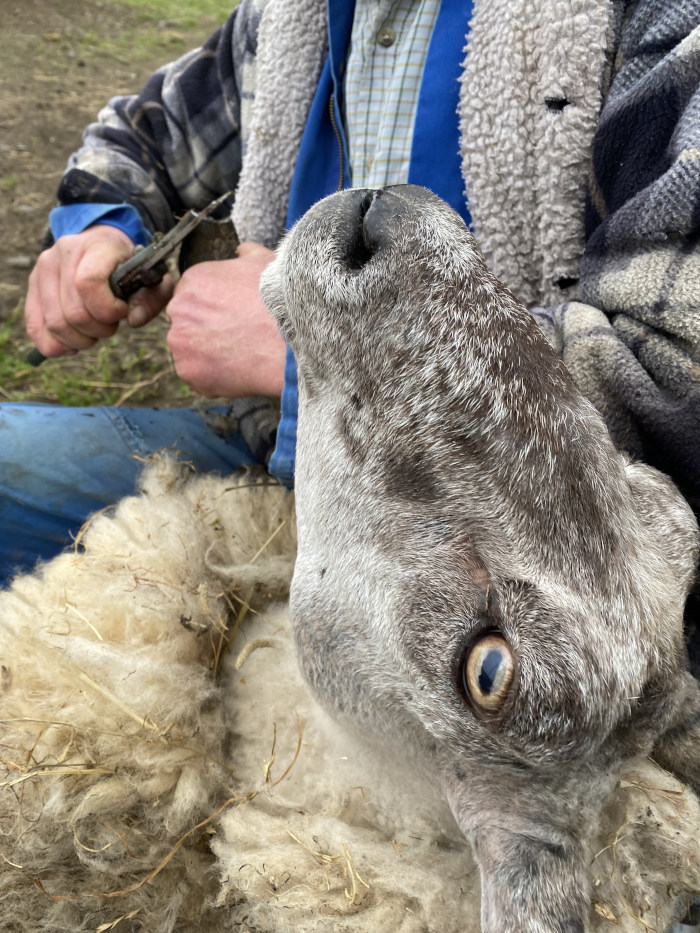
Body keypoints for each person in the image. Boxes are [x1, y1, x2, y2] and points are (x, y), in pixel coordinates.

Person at [4, 0, 700, 612]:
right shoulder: (290, 17)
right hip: (272, 472)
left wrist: (319, 356)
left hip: (516, 572)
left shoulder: (649, 19)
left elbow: (675, 376)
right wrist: (97, 226)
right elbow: (146, 129)